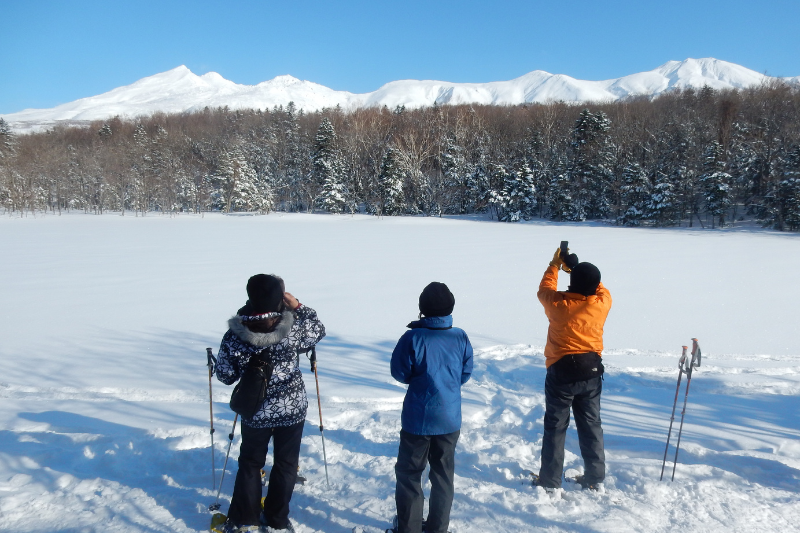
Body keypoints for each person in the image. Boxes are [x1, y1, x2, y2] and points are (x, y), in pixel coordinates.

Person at [216, 274, 325, 533]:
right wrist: (297, 306)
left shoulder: (234, 335)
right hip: (292, 407)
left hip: (255, 411)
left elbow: (225, 375)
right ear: (279, 299)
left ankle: (246, 519)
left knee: (251, 463)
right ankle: (277, 519)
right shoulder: (294, 329)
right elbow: (318, 329)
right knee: (286, 464)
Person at [389, 282, 473, 533]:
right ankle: (438, 528)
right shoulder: (460, 336)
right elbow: (465, 372)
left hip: (418, 419)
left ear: (421, 309)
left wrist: (420, 380)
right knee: (443, 475)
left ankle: (409, 528)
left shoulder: (413, 338)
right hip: (449, 418)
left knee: (410, 474)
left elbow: (399, 372)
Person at [535, 248, 612, 493]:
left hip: (561, 374)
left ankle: (550, 481)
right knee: (591, 426)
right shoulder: (602, 304)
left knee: (555, 428)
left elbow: (544, 290)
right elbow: (599, 286)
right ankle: (595, 478)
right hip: (590, 374)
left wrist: (555, 265)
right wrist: (577, 269)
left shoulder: (559, 304)